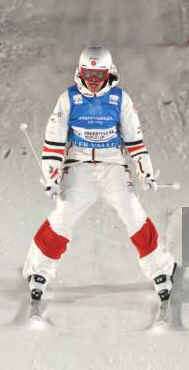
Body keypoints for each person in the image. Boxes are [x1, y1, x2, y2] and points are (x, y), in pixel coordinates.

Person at [22, 46, 176, 304]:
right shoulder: (68, 99)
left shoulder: (120, 99)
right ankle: (37, 270)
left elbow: (135, 140)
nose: (93, 81)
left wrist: (144, 171)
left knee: (133, 213)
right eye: (88, 74)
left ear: (109, 73)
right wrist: (52, 174)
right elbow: (54, 139)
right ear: (80, 72)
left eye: (99, 75)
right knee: (62, 217)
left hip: (112, 168)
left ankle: (161, 268)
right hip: (79, 168)